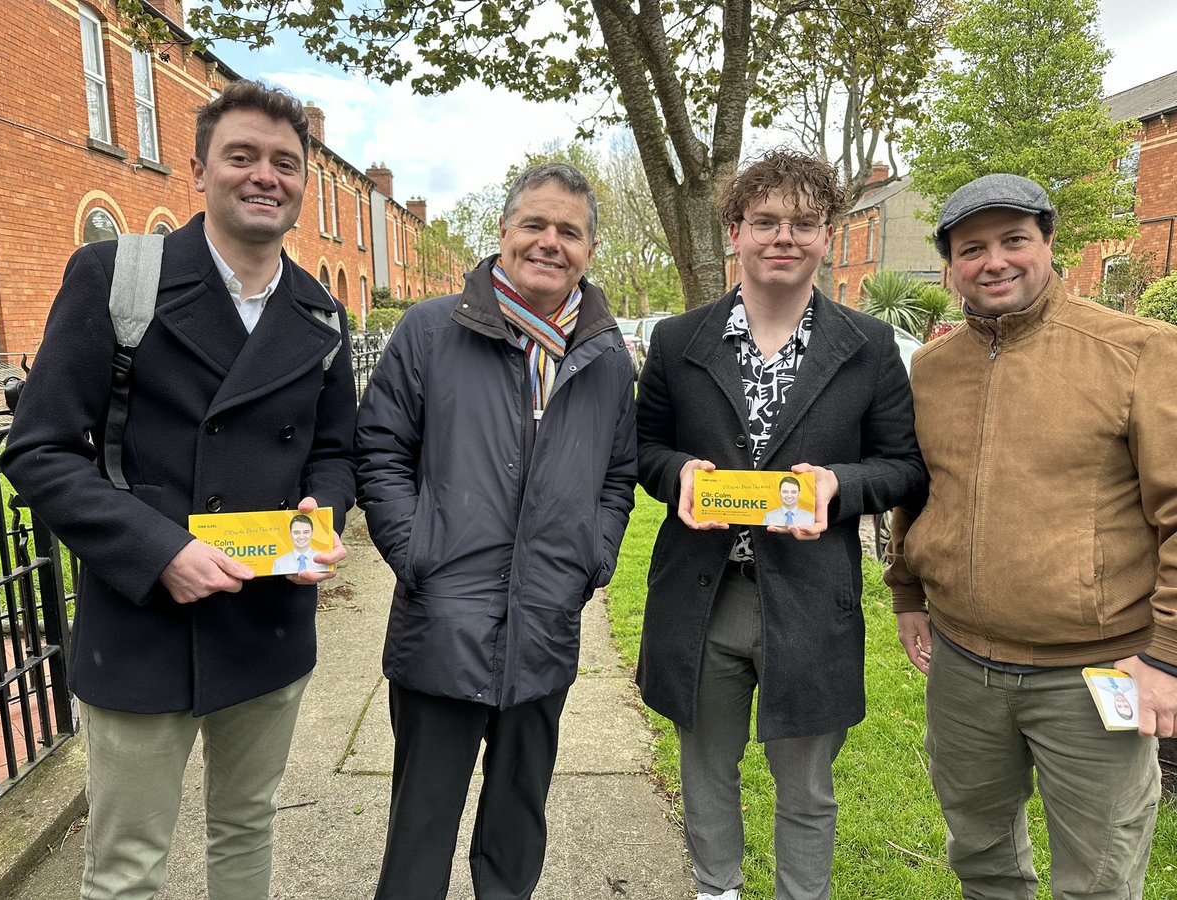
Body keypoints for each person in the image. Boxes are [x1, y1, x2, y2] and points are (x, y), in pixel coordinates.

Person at [1, 80, 355, 899]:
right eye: (242, 156)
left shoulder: (322, 315)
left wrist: (322, 513)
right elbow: (41, 450)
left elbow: (336, 452)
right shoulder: (116, 277)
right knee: (126, 867)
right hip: (140, 624)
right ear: (197, 169)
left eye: (285, 162)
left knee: (246, 831)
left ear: (303, 183)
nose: (265, 175)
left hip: (266, 622)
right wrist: (162, 553)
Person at [635, 150, 926, 900]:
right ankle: (716, 889)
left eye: (803, 223)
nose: (782, 237)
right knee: (706, 770)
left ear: (829, 234)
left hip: (809, 594)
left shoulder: (867, 347)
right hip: (703, 593)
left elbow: (903, 466)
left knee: (807, 786)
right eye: (764, 221)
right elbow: (642, 447)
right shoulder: (676, 341)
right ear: (735, 230)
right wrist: (679, 476)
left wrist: (837, 484)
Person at [884, 173, 1177, 899]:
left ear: (1050, 244)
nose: (995, 261)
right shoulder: (932, 367)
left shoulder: (1140, 352)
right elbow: (919, 492)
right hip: (962, 668)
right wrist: (908, 592)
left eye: (1014, 239)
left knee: (1099, 879)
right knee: (981, 857)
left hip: (1094, 673)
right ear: (951, 267)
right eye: (972, 247)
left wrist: (1166, 656)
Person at [355, 162, 636, 899]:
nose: (550, 242)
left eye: (569, 231)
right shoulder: (430, 330)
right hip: (442, 625)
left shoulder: (607, 357)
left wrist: (592, 560)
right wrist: (418, 554)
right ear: (504, 232)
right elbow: (380, 452)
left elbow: (618, 475)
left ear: (589, 248)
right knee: (420, 830)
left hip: (544, 625)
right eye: (534, 225)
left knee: (516, 828)